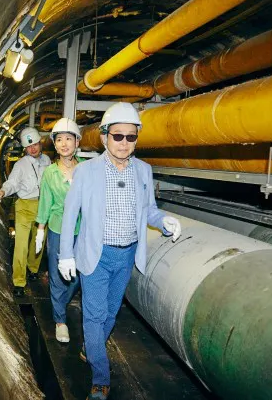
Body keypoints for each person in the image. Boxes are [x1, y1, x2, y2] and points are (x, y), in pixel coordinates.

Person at [58, 102, 182, 400]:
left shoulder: (144, 170)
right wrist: (65, 254)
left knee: (111, 313)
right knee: (95, 315)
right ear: (104, 137)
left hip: (126, 256)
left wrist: (163, 221)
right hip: (96, 255)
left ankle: (91, 347)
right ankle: (101, 378)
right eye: (118, 136)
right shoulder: (86, 172)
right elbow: (69, 214)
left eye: (131, 137)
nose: (124, 143)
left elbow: (148, 211)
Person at [34, 118, 84, 343]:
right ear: (55, 145)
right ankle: (60, 321)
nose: (64, 144)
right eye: (60, 140)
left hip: (80, 230)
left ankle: (60, 303)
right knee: (56, 275)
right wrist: (40, 230)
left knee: (77, 275)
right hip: (56, 228)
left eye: (69, 139)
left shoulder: (85, 169)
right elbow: (45, 201)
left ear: (77, 142)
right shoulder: (50, 173)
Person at [0, 126, 51, 297]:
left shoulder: (47, 161)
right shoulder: (20, 165)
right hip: (25, 206)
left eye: (35, 145)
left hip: (43, 206)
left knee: (38, 241)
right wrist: (3, 191)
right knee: (21, 244)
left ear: (40, 144)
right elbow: (12, 183)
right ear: (25, 149)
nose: (33, 149)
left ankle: (33, 269)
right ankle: (19, 281)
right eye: (29, 147)